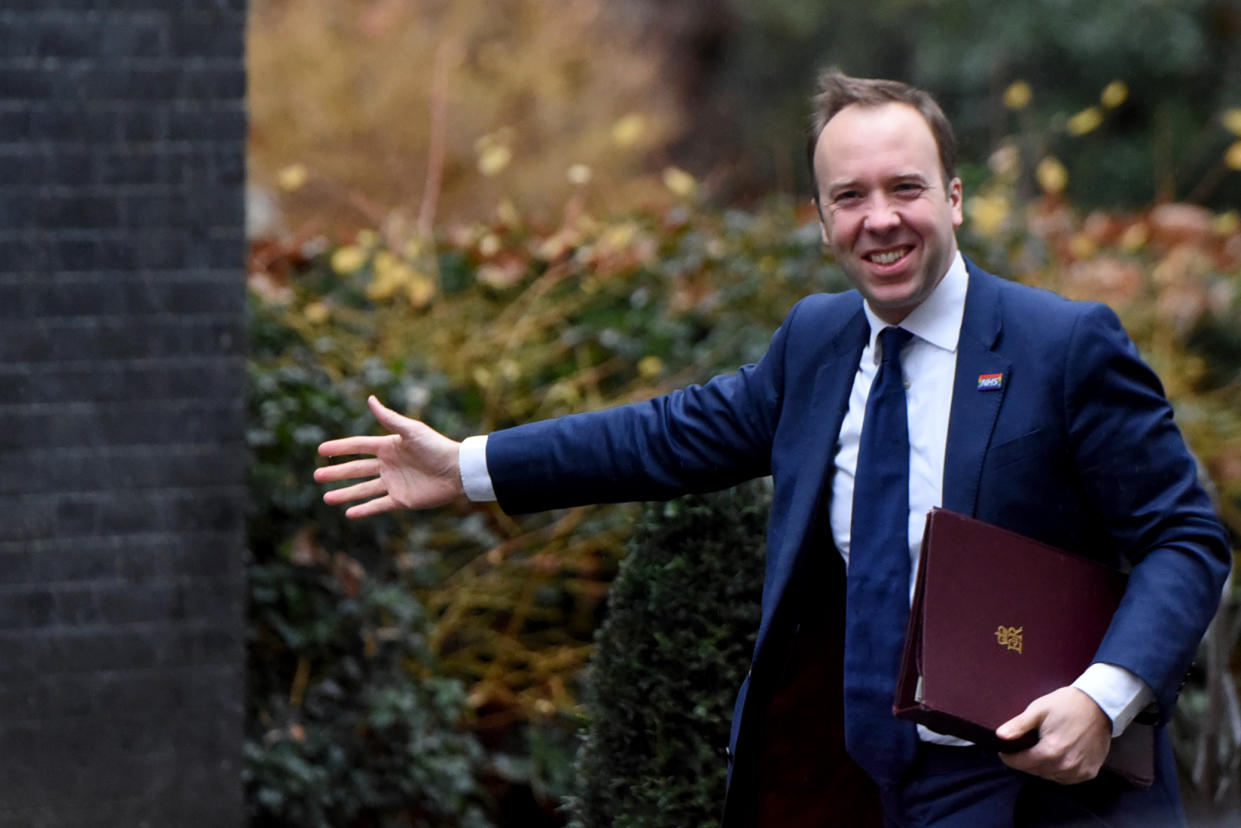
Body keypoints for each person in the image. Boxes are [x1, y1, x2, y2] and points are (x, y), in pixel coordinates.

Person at [315, 70, 1231, 827]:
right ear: (820, 219)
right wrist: (469, 466)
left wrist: (1101, 698)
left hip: (1033, 790)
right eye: (850, 198)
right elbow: (662, 435)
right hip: (854, 787)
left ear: (952, 197)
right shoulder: (815, 344)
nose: (880, 219)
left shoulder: (1062, 345)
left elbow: (1184, 540)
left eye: (905, 188)